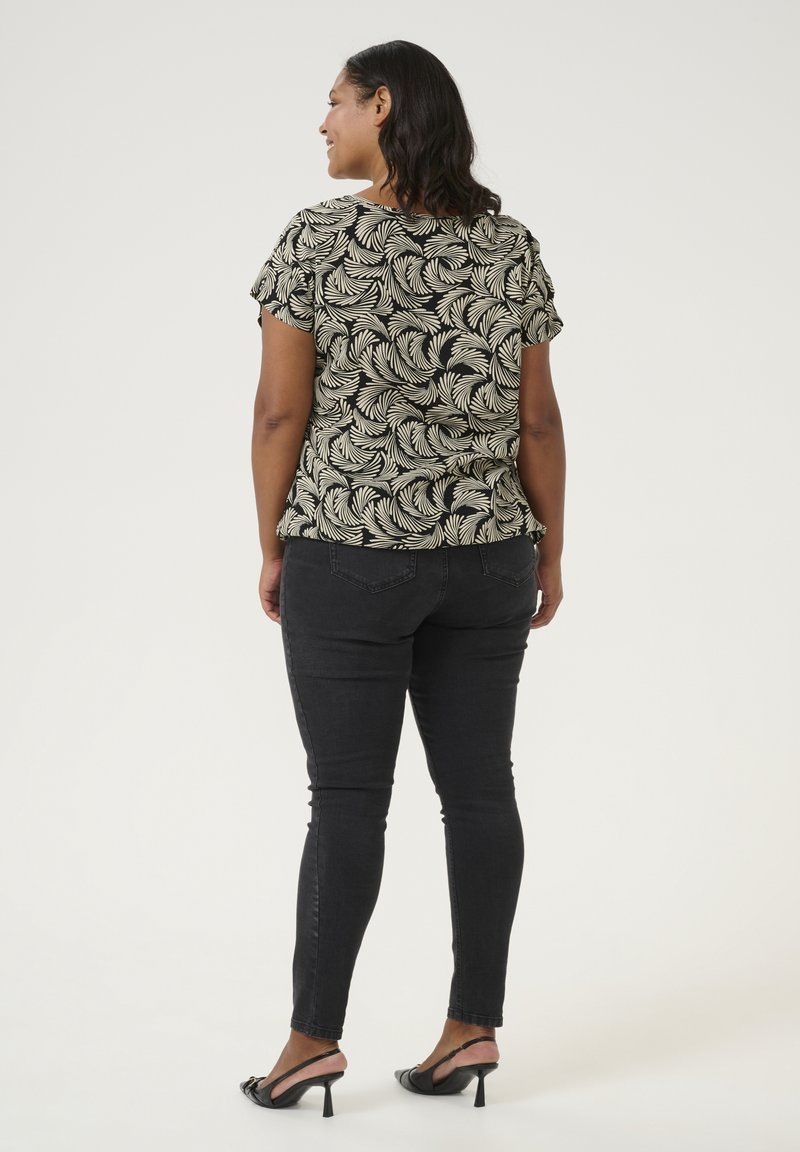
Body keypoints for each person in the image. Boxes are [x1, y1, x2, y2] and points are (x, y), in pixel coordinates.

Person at [239, 39, 566, 1117]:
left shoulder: (320, 239)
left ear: (382, 106)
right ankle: (473, 1027)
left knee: (346, 799)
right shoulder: (508, 245)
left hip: (350, 552)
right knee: (480, 791)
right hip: (488, 557)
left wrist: (273, 541)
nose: (323, 123)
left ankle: (309, 1043)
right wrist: (549, 547)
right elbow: (537, 420)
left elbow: (279, 412)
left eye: (335, 103)